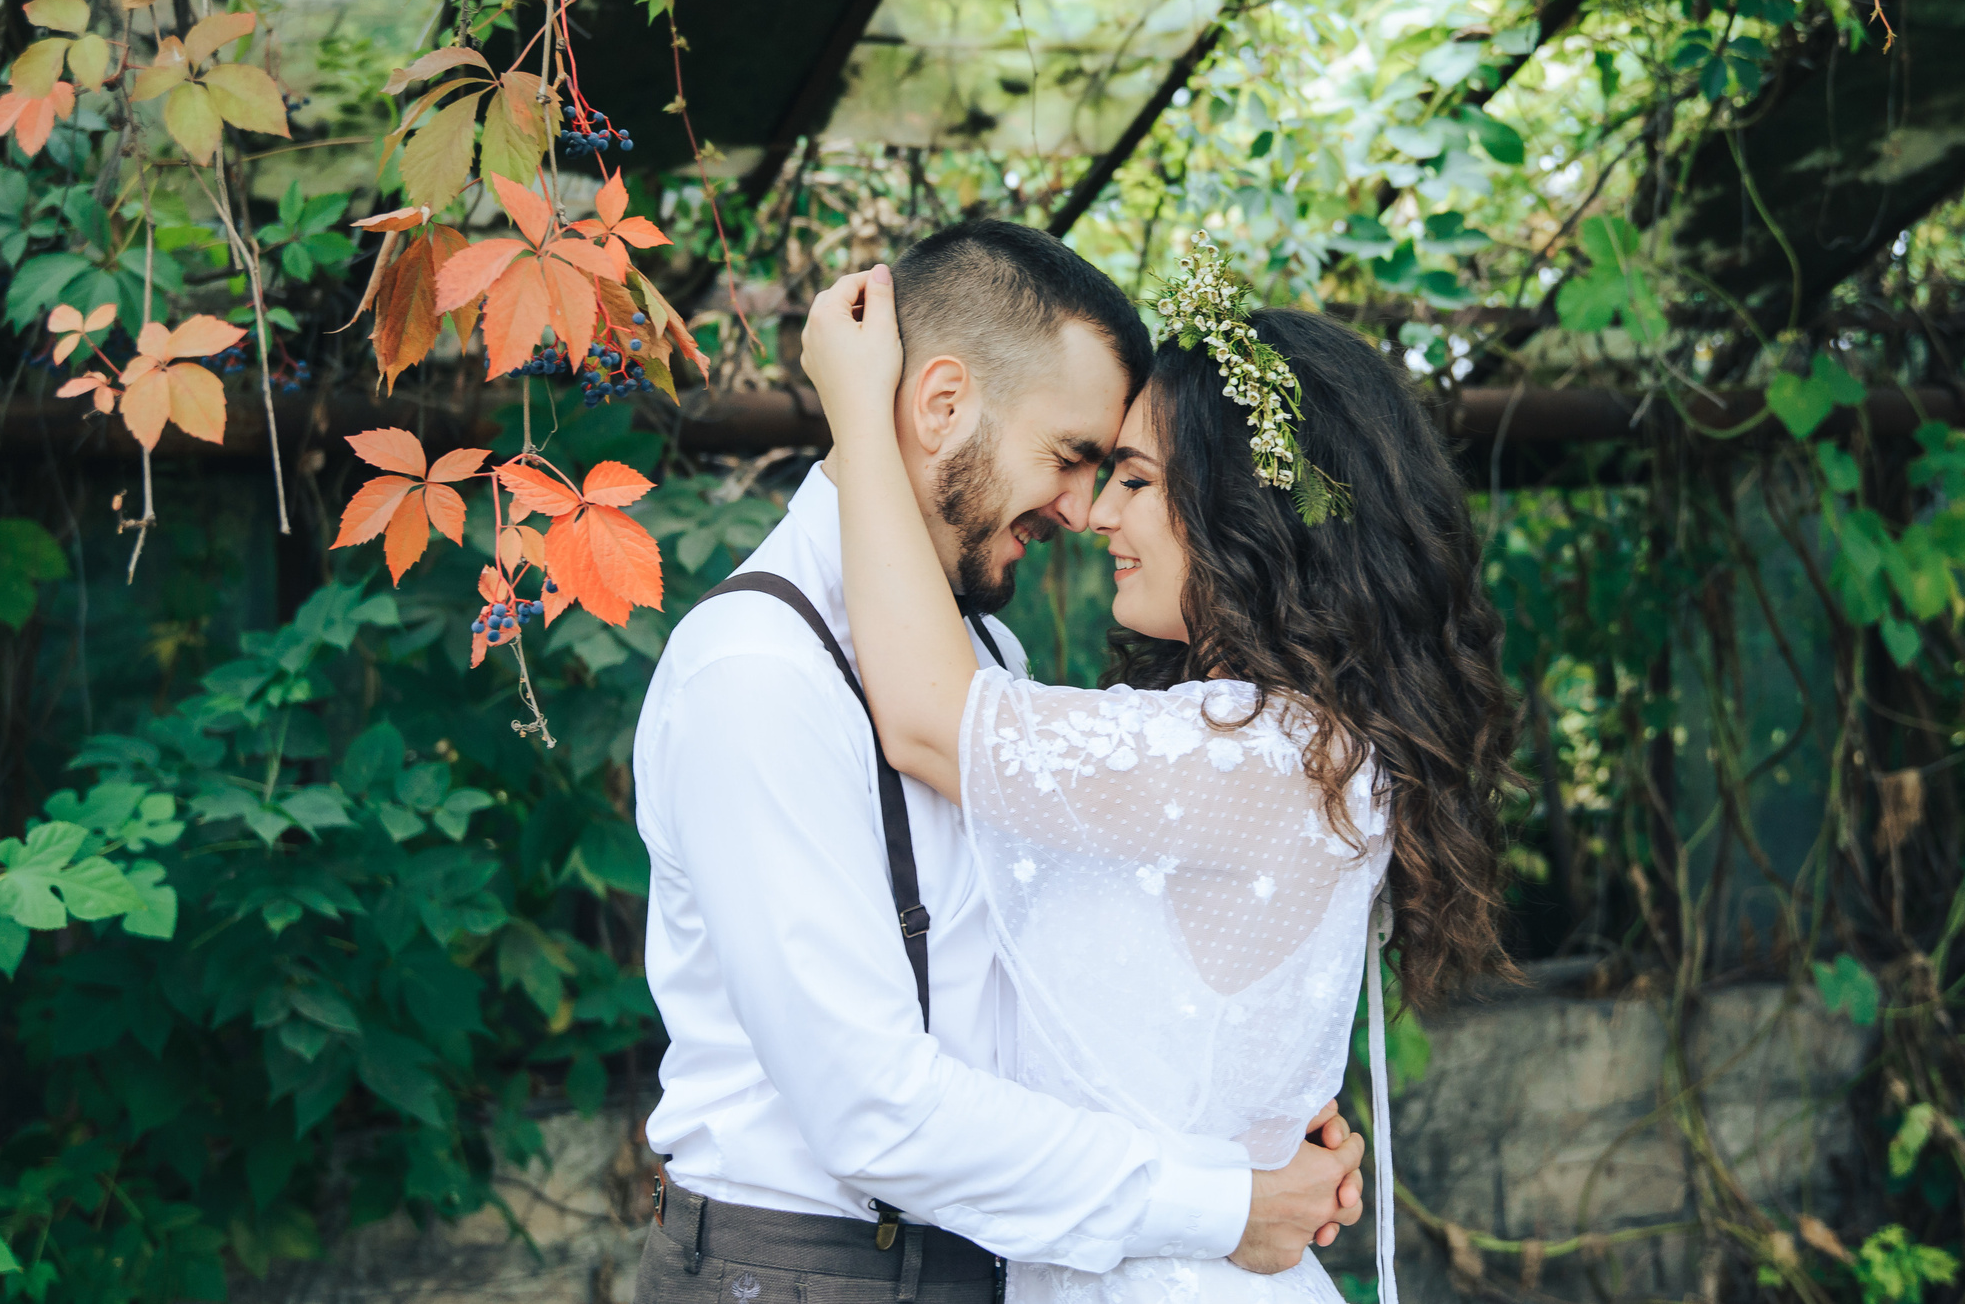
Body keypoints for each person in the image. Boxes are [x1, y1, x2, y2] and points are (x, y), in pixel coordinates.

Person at [628, 222, 1366, 1304]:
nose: (1083, 510)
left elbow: (1041, 991)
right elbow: (871, 1108)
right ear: (940, 405)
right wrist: (1221, 1195)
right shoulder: (757, 669)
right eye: (1071, 457)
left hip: (997, 1254)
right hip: (807, 1274)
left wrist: (1241, 1107)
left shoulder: (984, 658)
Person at [800, 236, 1520, 1304]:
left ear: (1245, 506)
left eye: (1134, 478)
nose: (1096, 513)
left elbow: (925, 719)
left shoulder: (1256, 753)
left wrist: (860, 413)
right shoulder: (1300, 747)